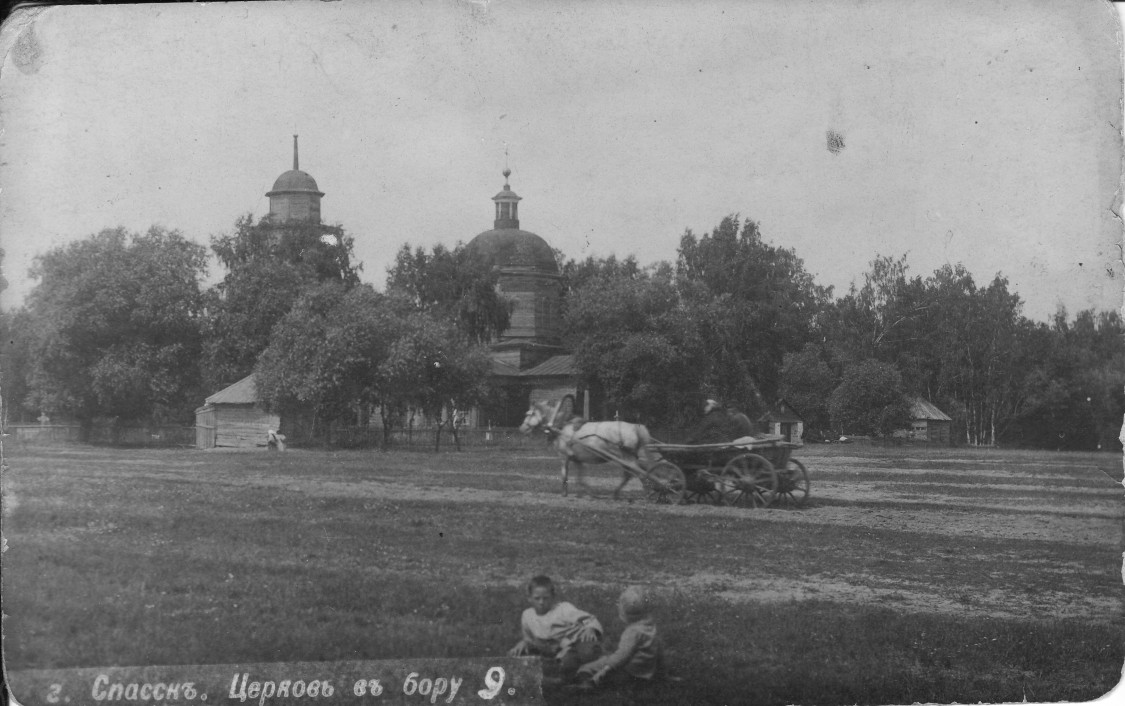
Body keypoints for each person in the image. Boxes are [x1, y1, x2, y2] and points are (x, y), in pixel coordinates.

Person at [508, 575, 603, 684]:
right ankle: (547, 676)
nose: (541, 602)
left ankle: (587, 671)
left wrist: (590, 628)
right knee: (517, 656)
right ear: (529, 598)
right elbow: (529, 638)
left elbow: (587, 618)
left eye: (546, 598)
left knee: (582, 654)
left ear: (553, 597)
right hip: (551, 648)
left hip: (575, 642)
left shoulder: (563, 609)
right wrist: (524, 643)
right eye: (537, 598)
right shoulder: (527, 615)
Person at [576, 586, 664, 689]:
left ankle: (588, 682)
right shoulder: (650, 626)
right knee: (606, 658)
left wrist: (603, 672)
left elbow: (622, 657)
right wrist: (662, 673)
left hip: (631, 674)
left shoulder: (633, 632)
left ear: (623, 613)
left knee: (589, 667)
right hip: (646, 671)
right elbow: (659, 651)